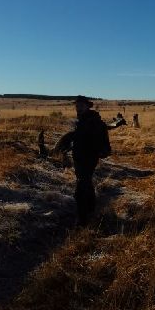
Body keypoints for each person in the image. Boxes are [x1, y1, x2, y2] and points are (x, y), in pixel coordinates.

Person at [54, 96, 114, 228]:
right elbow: (81, 137)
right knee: (86, 182)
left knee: (80, 189)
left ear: (87, 106)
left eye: (81, 106)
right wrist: (70, 140)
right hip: (79, 158)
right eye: (77, 106)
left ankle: (82, 221)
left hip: (88, 159)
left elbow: (91, 140)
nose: (78, 108)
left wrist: (74, 138)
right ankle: (91, 209)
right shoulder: (83, 120)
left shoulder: (93, 122)